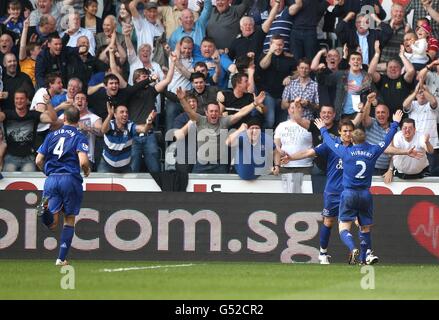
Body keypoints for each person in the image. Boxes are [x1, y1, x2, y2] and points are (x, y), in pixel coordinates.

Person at [314, 109, 403, 265]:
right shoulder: (373, 150)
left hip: (348, 194)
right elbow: (387, 139)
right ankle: (365, 256)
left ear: (353, 140)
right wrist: (395, 123)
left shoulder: (345, 152)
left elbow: (329, 141)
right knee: (365, 227)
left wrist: (322, 129)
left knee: (343, 227)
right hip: (365, 194)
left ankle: (352, 247)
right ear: (365, 139)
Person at [35, 106, 90, 266]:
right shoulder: (80, 136)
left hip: (52, 179)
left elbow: (38, 160)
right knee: (69, 219)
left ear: (64, 118)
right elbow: (83, 161)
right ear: (78, 120)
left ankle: (44, 210)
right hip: (70, 179)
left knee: (52, 223)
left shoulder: (51, 135)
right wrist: (86, 170)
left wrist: (47, 171)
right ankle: (61, 259)